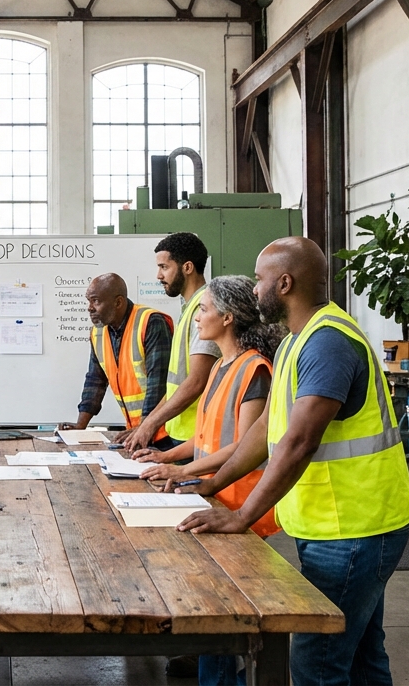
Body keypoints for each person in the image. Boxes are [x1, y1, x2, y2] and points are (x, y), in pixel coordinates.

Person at [173, 236, 409, 686]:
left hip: (355, 529)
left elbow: (299, 441)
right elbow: (267, 430)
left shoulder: (327, 343)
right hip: (335, 526)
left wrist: (243, 516)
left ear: (284, 283)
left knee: (316, 666)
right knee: (361, 656)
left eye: (261, 280)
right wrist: (210, 484)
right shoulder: (293, 343)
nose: (255, 290)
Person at [137, 274, 282, 686]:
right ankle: (210, 672)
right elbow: (204, 437)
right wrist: (167, 455)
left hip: (237, 505)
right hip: (210, 497)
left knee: (224, 611)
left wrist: (182, 471)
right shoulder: (222, 364)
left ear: (228, 317)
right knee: (212, 607)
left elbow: (243, 446)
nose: (197, 318)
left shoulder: (255, 370)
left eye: (204, 310)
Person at [117, 232, 219, 453]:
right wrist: (146, 425)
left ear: (187, 267)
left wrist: (150, 425)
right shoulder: (189, 308)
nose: (158, 275)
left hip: (197, 434)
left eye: (164, 267)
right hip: (181, 432)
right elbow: (178, 384)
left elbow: (197, 381)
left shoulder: (204, 309)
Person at [60, 273, 172, 433]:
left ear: (118, 302)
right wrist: (80, 426)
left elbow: (158, 384)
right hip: (136, 431)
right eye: (89, 301)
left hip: (164, 430)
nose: (90, 308)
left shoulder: (151, 322)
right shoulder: (99, 333)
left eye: (96, 301)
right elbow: (95, 380)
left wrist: (144, 429)